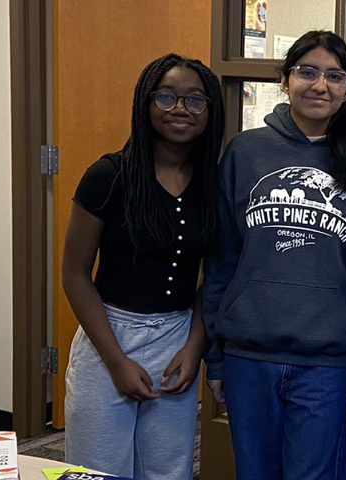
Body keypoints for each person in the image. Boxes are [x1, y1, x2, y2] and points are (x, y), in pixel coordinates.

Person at [202, 30, 346, 480]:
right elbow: (222, 261)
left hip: (326, 361)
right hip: (248, 357)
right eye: (308, 72)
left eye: (335, 76)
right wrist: (216, 358)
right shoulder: (245, 151)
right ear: (284, 79)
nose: (320, 85)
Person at [61, 53, 224, 480]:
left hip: (177, 340)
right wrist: (116, 360)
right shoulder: (108, 175)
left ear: (210, 111)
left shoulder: (214, 184)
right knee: (96, 472)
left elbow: (216, 276)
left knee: (168, 471)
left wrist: (195, 347)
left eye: (194, 100)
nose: (179, 109)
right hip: (109, 337)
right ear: (146, 102)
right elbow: (75, 274)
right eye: (166, 96)